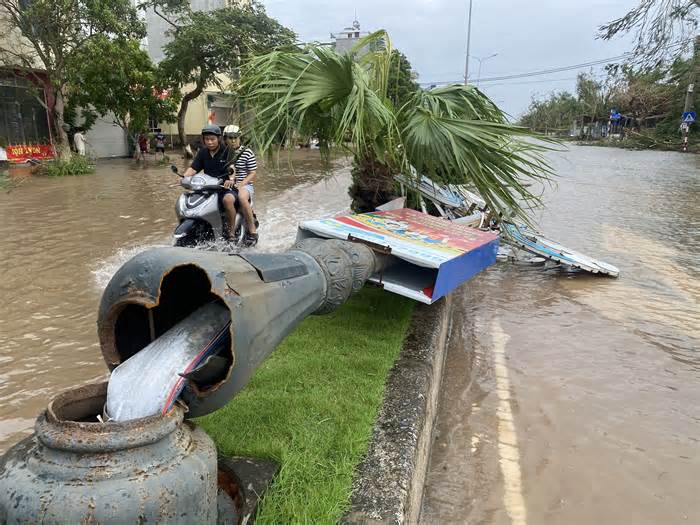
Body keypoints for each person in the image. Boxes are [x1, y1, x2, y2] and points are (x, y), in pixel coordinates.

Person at [183, 125, 255, 245]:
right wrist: (183, 178)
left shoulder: (227, 150)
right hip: (208, 188)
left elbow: (232, 167)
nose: (210, 142)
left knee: (228, 200)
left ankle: (231, 234)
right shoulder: (202, 153)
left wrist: (231, 179)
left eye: (212, 139)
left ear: (219, 139)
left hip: (225, 187)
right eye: (207, 139)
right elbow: (193, 169)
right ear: (203, 140)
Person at [222, 124, 258, 247]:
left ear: (239, 137)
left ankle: (253, 231)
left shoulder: (247, 152)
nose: (233, 140)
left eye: (235, 137)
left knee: (242, 198)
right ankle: (230, 233)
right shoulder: (224, 152)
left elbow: (253, 173)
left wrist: (242, 184)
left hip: (245, 185)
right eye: (230, 137)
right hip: (229, 185)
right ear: (225, 139)